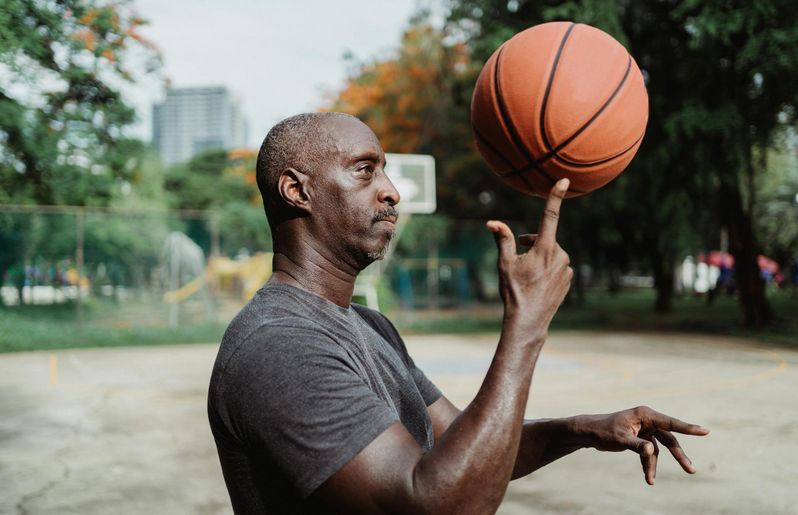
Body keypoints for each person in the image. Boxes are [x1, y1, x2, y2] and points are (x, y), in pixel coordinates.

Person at [207, 112, 709, 514]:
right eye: (365, 170)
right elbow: (436, 503)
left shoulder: (370, 325)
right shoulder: (279, 345)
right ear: (297, 191)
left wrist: (579, 429)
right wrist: (526, 322)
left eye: (384, 170)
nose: (391, 191)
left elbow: (460, 449)